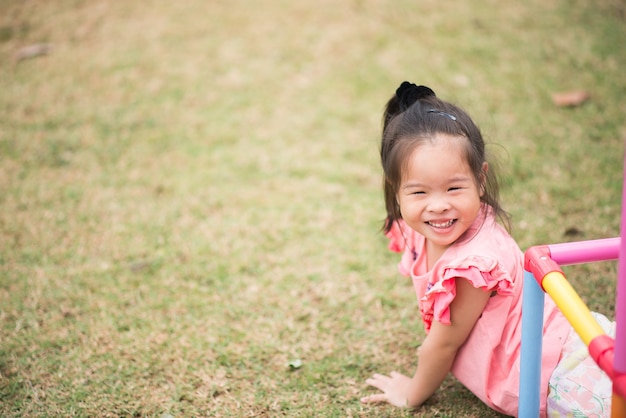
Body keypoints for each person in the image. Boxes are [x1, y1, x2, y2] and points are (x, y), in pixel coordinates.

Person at [360, 81, 615, 417]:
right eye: (419, 193)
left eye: (454, 187)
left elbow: (444, 343)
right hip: (561, 349)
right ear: (397, 192)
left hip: (560, 372)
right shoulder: (419, 228)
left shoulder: (475, 266)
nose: (438, 206)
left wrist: (412, 393)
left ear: (480, 180)